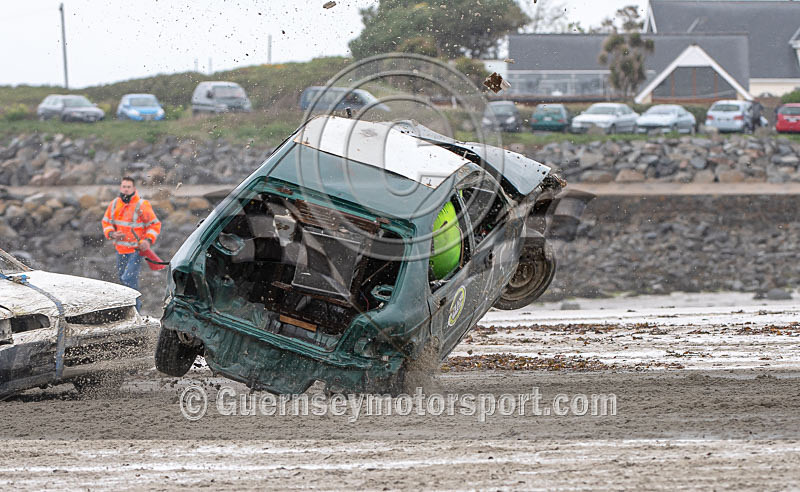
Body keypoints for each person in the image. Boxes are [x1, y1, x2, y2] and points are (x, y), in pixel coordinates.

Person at [101, 176, 161, 310]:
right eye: (124, 187)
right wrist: (112, 233)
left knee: (128, 279)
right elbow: (106, 222)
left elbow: (154, 224)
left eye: (128, 187)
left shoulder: (141, 205)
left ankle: (135, 310)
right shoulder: (115, 204)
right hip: (120, 250)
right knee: (123, 280)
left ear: (134, 188)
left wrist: (147, 240)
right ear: (120, 188)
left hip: (135, 251)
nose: (126, 189)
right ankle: (130, 309)